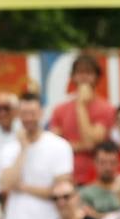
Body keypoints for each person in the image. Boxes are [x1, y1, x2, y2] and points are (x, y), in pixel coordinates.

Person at [0, 93, 76, 219]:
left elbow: (60, 191)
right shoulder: (9, 148)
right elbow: (6, 184)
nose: (28, 118)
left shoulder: (59, 146)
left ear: (41, 113)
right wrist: (23, 149)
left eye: (32, 113)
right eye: (24, 114)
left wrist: (22, 187)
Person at [49, 54, 116, 185]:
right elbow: (54, 146)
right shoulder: (60, 109)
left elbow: (91, 143)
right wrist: (82, 146)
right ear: (73, 76)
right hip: (67, 179)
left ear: (97, 77)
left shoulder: (106, 108)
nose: (84, 77)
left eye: (89, 72)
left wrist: (81, 106)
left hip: (96, 181)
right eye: (79, 72)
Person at [79, 142, 120, 215]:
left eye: (112, 162)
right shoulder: (85, 193)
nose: (108, 167)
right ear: (95, 163)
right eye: (103, 162)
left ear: (118, 163)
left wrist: (95, 215)